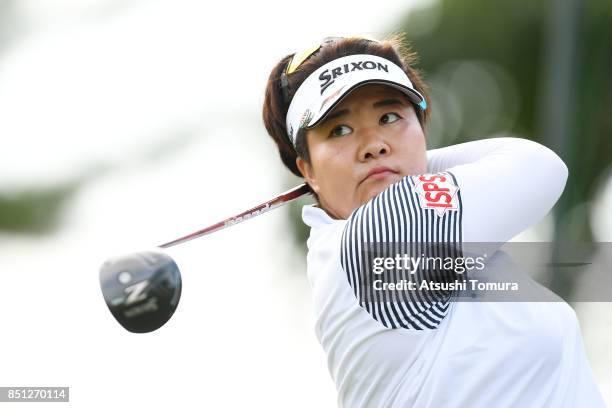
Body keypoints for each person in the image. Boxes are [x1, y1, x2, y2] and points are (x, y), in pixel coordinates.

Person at [262, 35, 606, 407]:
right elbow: (541, 166)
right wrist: (405, 161)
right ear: (307, 170)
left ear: (422, 128)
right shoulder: (370, 242)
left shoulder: (444, 235)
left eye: (389, 117)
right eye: (339, 130)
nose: (374, 144)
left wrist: (404, 164)